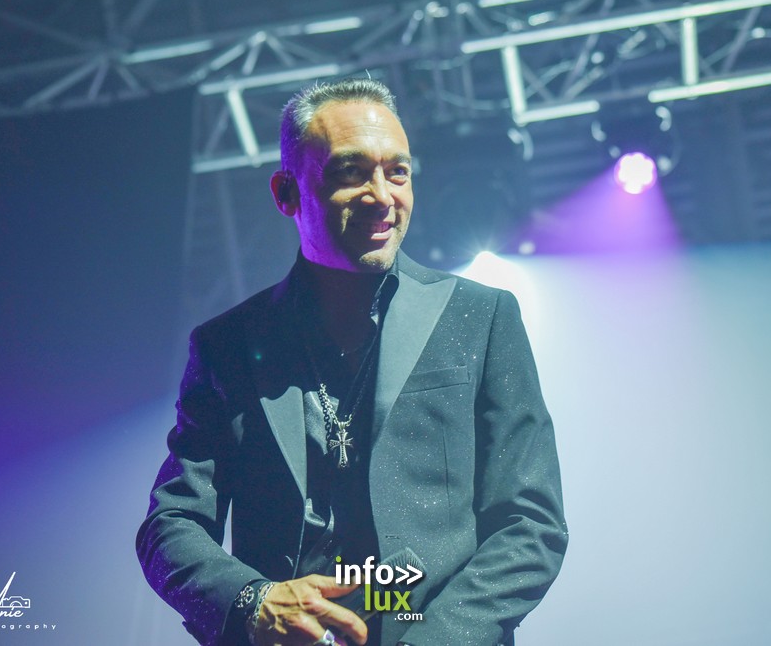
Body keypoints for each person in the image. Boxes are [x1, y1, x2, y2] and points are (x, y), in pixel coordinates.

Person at [136, 78, 567, 646]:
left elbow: (531, 524)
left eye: (398, 172)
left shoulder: (481, 317)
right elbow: (170, 525)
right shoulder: (228, 346)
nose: (382, 196)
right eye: (351, 172)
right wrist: (253, 601)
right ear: (286, 193)